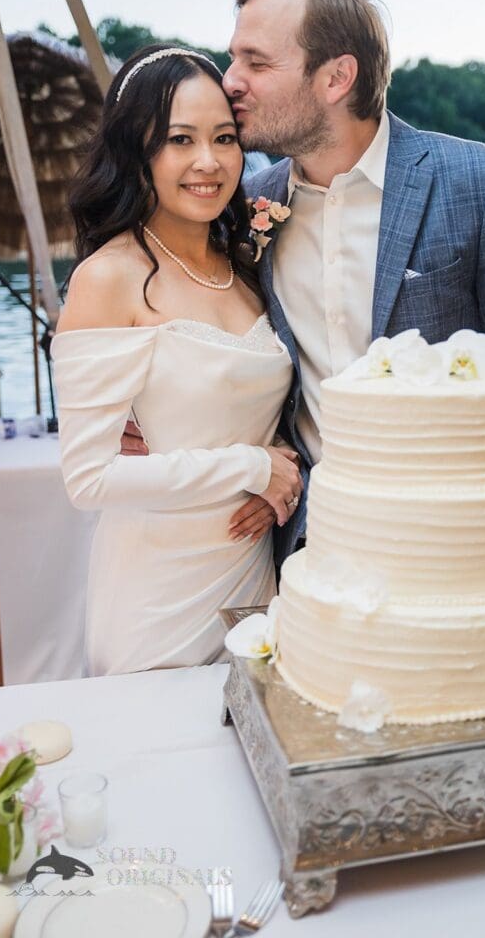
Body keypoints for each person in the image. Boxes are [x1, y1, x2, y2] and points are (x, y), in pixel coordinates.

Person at [220, 0, 485, 564]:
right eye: (234, 59)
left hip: (447, 538)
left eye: (256, 61)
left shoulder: (481, 184)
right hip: (303, 543)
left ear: (336, 78)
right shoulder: (248, 204)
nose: (231, 81)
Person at [53, 44, 301, 675]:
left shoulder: (246, 266)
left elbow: (260, 407)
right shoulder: (109, 277)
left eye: (224, 137)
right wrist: (249, 466)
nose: (208, 162)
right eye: (179, 139)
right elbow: (90, 479)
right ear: (138, 150)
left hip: (250, 575)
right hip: (157, 592)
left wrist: (281, 470)